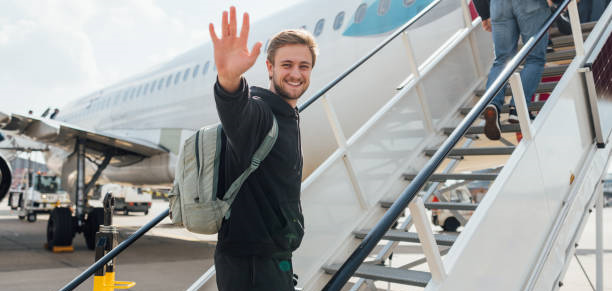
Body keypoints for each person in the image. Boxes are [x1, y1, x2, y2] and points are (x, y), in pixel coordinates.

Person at [209, 6, 317, 291]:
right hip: (250, 266)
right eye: (287, 65)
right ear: (269, 68)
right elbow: (236, 111)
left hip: (273, 260)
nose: (295, 73)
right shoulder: (260, 113)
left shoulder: (288, 116)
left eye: (303, 66)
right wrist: (229, 79)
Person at [474, 0, 554, 140]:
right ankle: (518, 110)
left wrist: (484, 14)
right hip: (531, 4)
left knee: (501, 61)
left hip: (498, 5)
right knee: (534, 58)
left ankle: (493, 103)